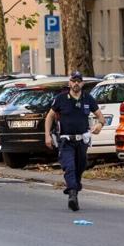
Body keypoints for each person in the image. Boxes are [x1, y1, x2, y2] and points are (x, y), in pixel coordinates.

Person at [45, 71, 104, 211]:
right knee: (69, 167)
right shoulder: (61, 98)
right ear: (69, 83)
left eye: (78, 80)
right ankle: (72, 193)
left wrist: (99, 125)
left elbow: (101, 118)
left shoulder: (88, 98)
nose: (76, 83)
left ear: (82, 83)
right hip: (66, 141)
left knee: (80, 166)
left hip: (82, 141)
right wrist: (47, 135)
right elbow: (49, 117)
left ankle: (74, 189)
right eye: (73, 80)